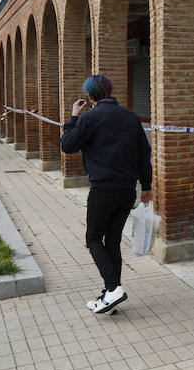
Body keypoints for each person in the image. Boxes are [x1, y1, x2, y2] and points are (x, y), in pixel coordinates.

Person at [61, 74, 152, 315]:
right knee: (112, 241)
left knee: (93, 239)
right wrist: (147, 186)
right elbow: (144, 153)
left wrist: (73, 117)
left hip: (103, 190)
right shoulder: (131, 116)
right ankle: (111, 295)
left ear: (89, 96)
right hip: (127, 190)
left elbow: (68, 145)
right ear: (110, 92)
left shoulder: (89, 117)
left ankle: (113, 288)